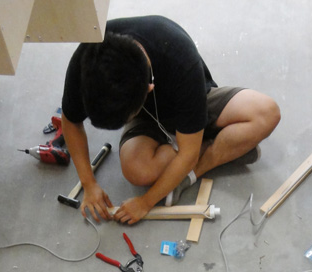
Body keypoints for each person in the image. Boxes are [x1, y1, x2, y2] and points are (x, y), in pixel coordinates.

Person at [60, 15, 280, 225]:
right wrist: (89, 184)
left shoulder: (180, 59)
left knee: (266, 113)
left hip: (190, 105)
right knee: (136, 171)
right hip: (148, 118)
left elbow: (188, 154)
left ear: (149, 89)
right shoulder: (88, 58)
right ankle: (224, 147)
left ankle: (194, 170)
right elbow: (70, 121)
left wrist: (146, 202)